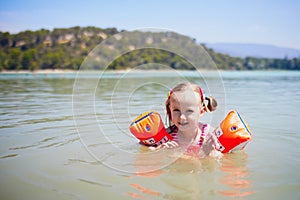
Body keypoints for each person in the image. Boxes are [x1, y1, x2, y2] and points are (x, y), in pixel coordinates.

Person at [152, 82, 221, 158]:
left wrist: (212, 154)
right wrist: (160, 150)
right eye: (176, 110)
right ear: (169, 110)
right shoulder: (166, 136)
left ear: (201, 112)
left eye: (189, 111)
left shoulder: (209, 136)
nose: (182, 117)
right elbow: (145, 150)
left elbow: (223, 157)